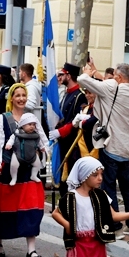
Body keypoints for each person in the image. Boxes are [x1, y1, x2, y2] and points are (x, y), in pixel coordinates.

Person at [0, 83, 49, 257]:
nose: (21, 98)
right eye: (17, 95)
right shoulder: (2, 119)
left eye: (23, 95)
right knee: (2, 206)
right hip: (8, 168)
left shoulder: (32, 118)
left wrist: (41, 153)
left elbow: (43, 139)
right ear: (11, 98)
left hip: (28, 171)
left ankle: (32, 249)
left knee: (31, 207)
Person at [78, 61, 129, 213]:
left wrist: (87, 72)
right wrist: (96, 73)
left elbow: (82, 80)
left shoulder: (113, 89)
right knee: (128, 189)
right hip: (128, 149)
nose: (112, 78)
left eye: (114, 76)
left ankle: (115, 223)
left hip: (112, 147)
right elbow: (106, 85)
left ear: (119, 77)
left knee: (109, 187)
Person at [48, 63, 86, 200]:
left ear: (68, 76)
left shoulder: (80, 96)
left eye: (62, 74)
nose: (59, 76)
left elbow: (77, 119)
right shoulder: (66, 94)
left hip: (72, 142)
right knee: (63, 176)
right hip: (63, 141)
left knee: (71, 175)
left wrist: (61, 131)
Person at [2, 112, 46, 186]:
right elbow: (12, 139)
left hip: (32, 155)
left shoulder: (35, 135)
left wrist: (42, 147)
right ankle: (14, 178)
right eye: (29, 124)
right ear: (22, 125)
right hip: (18, 154)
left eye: (34, 124)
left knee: (37, 164)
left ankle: (34, 175)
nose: (32, 127)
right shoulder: (17, 133)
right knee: (13, 165)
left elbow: (39, 142)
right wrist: (9, 144)